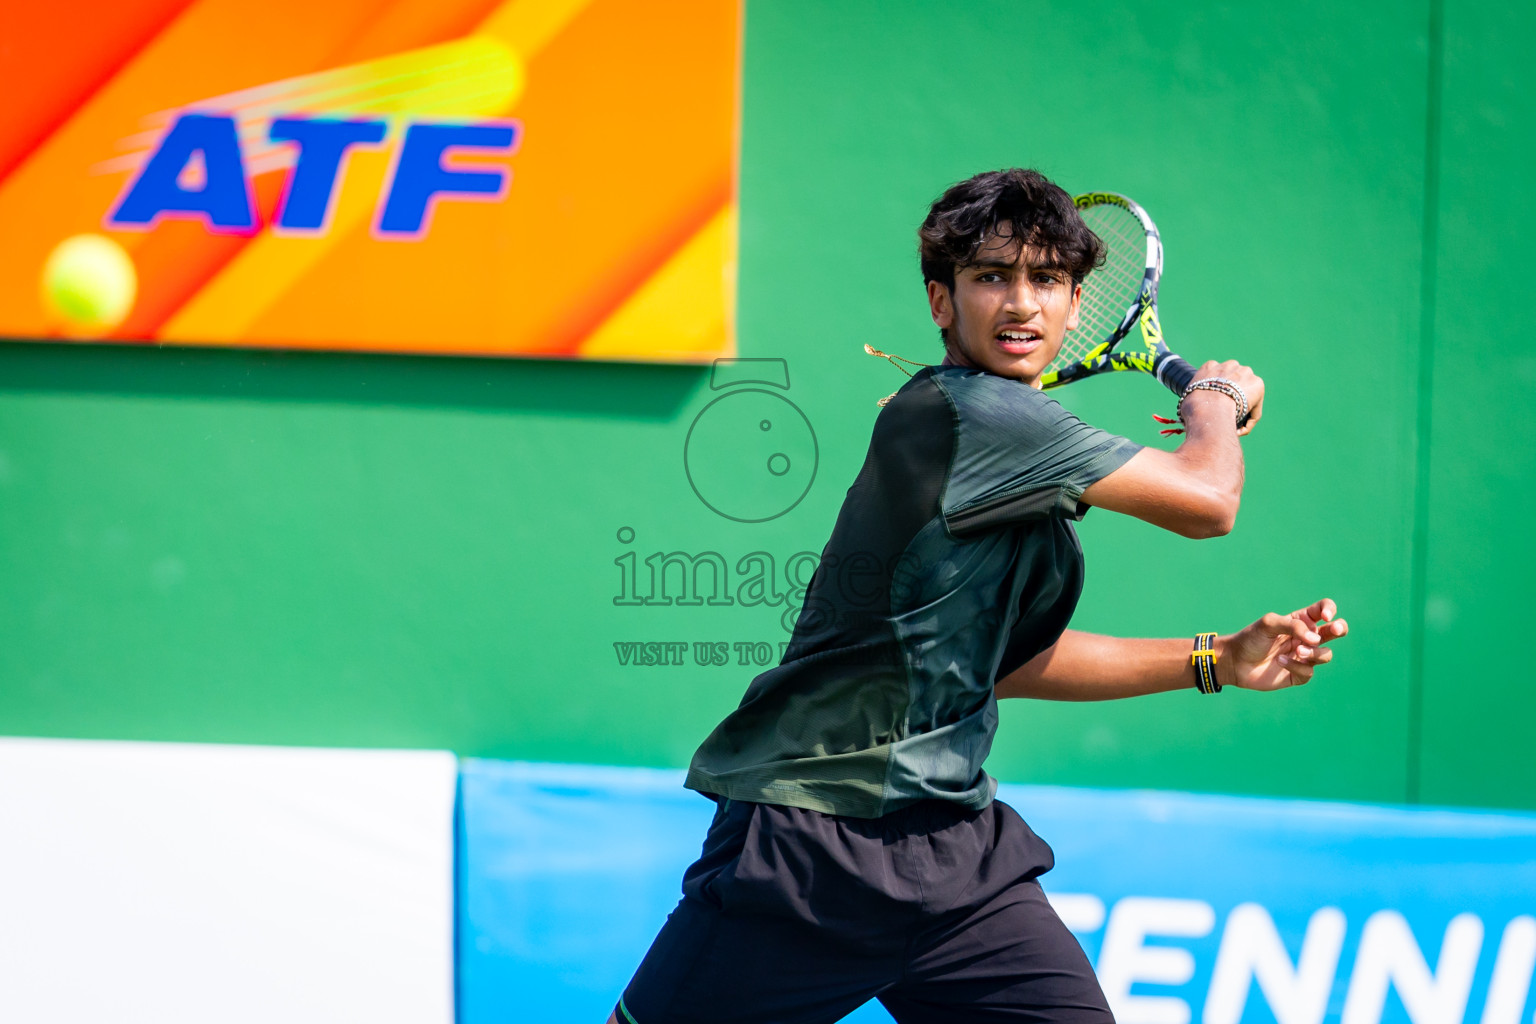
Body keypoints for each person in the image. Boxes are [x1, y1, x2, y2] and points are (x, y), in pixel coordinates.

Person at [607, 168, 1349, 1024]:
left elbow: (1009, 661)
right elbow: (1209, 501)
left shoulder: (995, 427)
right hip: (809, 844)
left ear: (1077, 305)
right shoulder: (978, 418)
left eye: (1047, 280)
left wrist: (1213, 659)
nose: (1021, 303)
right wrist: (1215, 396)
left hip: (956, 859)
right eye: (991, 277)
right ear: (940, 301)